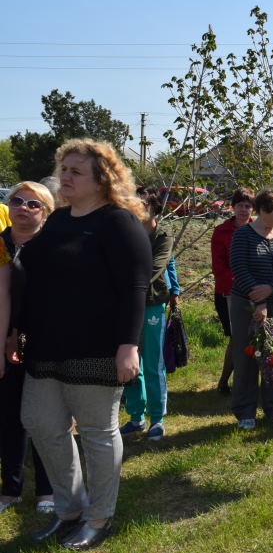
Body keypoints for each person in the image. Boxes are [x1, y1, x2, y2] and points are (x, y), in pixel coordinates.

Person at [18, 139, 151, 550]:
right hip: (46, 346)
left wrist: (129, 345)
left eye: (76, 171)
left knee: (96, 432)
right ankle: (69, 509)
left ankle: (98, 517)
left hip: (97, 346)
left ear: (102, 179)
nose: (65, 177)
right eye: (64, 169)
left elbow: (136, 287)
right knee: (41, 423)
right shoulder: (58, 220)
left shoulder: (119, 223)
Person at [0, 182, 54, 515]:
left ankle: (47, 490)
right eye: (17, 201)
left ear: (46, 212)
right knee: (8, 415)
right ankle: (11, 489)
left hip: (43, 340)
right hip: (3, 339)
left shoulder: (52, 248)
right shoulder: (0, 244)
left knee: (44, 416)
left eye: (33, 204)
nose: (23, 208)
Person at [228, 189, 273, 429]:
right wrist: (259, 301)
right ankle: (245, 411)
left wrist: (271, 288)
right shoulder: (243, 235)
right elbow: (238, 267)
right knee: (248, 357)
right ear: (262, 211)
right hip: (246, 305)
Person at [120, 187, 174, 441]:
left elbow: (155, 267)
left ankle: (157, 418)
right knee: (130, 361)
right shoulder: (124, 233)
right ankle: (135, 416)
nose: (137, 209)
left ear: (154, 208)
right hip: (126, 305)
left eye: (143, 204)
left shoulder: (163, 235)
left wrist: (123, 282)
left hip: (152, 303)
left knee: (153, 363)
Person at [211, 188, 254, 395]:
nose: (244, 210)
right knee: (236, 338)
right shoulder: (221, 231)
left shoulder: (259, 229)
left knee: (252, 336)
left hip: (256, 292)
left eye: (248, 206)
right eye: (240, 206)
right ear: (233, 207)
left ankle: (246, 381)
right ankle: (225, 381)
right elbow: (218, 267)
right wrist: (242, 285)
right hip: (228, 292)